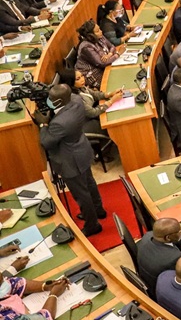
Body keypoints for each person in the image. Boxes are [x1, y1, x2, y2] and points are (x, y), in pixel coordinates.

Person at [37, 84, 105, 236]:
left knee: (81, 194)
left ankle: (92, 225)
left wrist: (43, 124)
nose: (49, 100)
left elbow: (46, 142)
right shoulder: (75, 99)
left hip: (70, 160)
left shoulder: (60, 123)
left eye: (52, 99)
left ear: (60, 102)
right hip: (82, 149)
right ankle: (99, 210)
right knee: (89, 183)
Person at [58, 67, 121, 135]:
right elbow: (92, 113)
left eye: (82, 76)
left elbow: (94, 94)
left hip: (92, 113)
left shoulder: (80, 87)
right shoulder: (75, 99)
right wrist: (111, 101)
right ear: (70, 82)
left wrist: (110, 94)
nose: (82, 79)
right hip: (85, 123)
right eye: (78, 79)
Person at [75, 20, 122, 90]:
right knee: (114, 83)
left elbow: (112, 46)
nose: (101, 31)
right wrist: (118, 54)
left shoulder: (100, 37)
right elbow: (101, 63)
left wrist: (109, 54)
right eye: (97, 31)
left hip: (102, 68)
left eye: (99, 29)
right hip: (91, 74)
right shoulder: (86, 47)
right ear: (90, 35)